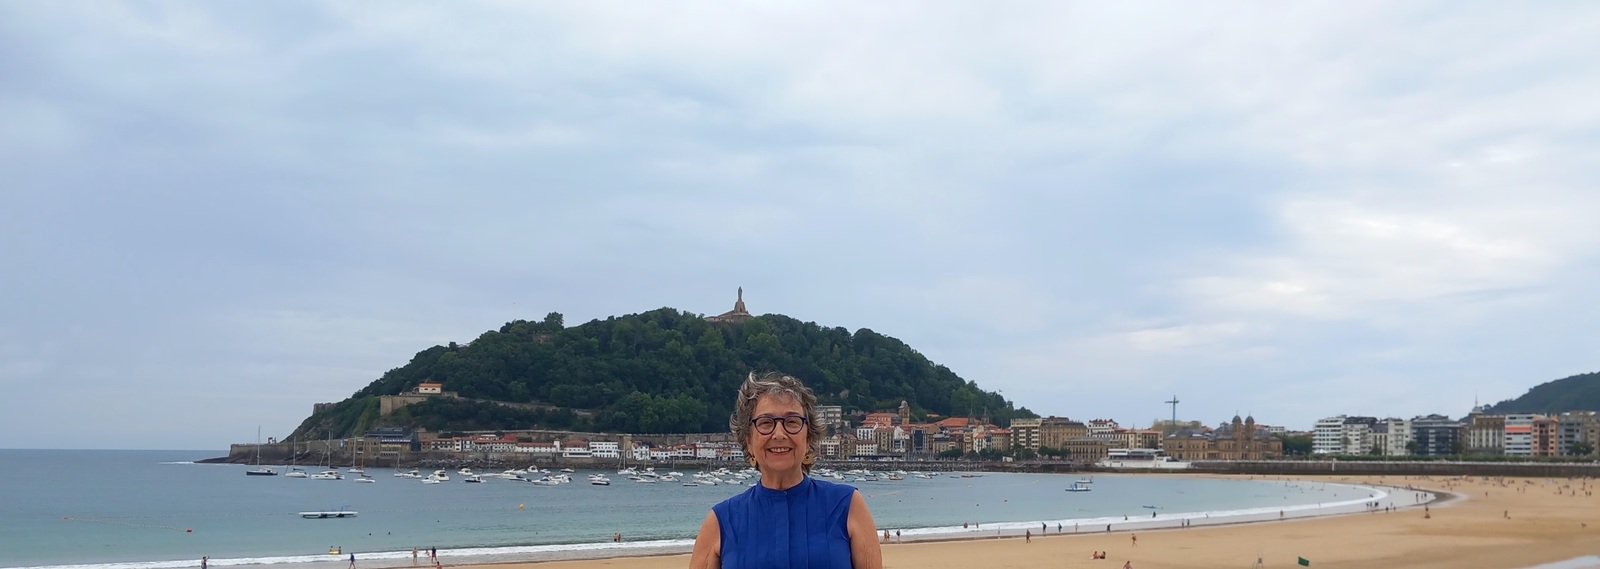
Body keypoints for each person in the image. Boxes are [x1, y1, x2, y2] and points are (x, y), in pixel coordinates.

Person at [689, 372, 883, 569]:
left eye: (792, 422)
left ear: (808, 438)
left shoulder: (847, 506)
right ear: (748, 441)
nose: (779, 434)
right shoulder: (721, 521)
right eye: (766, 423)